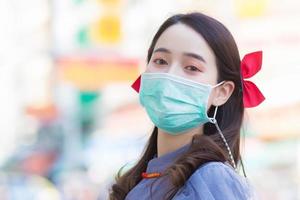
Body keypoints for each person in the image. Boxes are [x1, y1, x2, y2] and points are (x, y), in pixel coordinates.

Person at [109, 12, 265, 200]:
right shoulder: (137, 181)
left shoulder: (211, 178)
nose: (170, 75)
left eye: (191, 67)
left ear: (222, 92)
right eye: (160, 61)